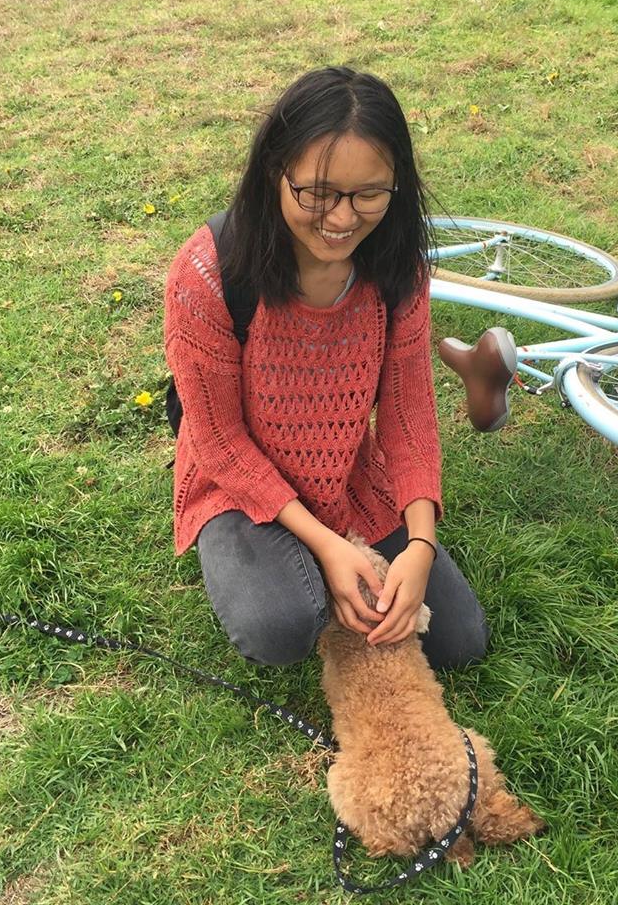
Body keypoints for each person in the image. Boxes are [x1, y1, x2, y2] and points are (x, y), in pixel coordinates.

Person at [163, 66, 487, 670]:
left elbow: (407, 416)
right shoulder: (210, 273)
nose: (342, 219)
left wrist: (420, 543)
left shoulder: (398, 271)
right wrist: (328, 548)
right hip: (235, 482)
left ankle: (339, 570)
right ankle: (293, 567)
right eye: (317, 193)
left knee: (461, 643)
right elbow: (218, 441)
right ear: (273, 173)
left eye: (370, 193)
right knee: (280, 628)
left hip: (343, 472)